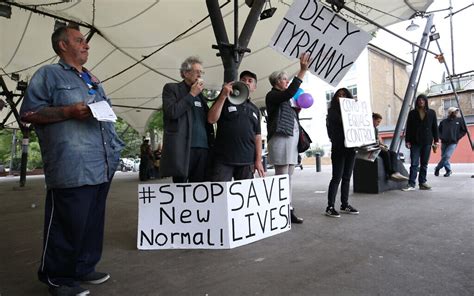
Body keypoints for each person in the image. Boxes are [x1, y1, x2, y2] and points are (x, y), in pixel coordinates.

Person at [20, 23, 124, 296]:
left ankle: (83, 267)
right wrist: (66, 110)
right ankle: (58, 278)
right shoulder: (49, 75)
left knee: (91, 221)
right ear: (62, 45)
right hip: (72, 164)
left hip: (101, 162)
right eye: (80, 40)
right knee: (68, 222)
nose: (86, 44)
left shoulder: (91, 78)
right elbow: (29, 113)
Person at [265, 53, 310, 224]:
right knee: (282, 177)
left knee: (288, 177)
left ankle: (288, 208)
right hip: (281, 141)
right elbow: (291, 91)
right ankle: (280, 210)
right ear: (277, 82)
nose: (286, 81)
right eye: (284, 79)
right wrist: (302, 71)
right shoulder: (273, 95)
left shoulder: (286, 100)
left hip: (290, 141)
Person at [160, 56, 214, 183]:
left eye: (202, 72)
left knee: (199, 188)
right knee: (181, 189)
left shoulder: (201, 95)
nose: (200, 75)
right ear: (185, 73)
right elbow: (172, 112)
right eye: (197, 71)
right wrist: (191, 95)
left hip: (203, 148)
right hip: (183, 148)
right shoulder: (171, 88)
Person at [207, 70, 265, 181]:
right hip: (223, 160)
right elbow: (211, 119)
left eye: (250, 81)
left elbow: (257, 136)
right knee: (220, 194)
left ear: (254, 87)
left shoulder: (255, 109)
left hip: (247, 161)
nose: (246, 82)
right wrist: (223, 96)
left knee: (244, 195)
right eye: (243, 80)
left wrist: (258, 161)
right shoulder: (225, 100)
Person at [325, 88, 359, 218]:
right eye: (339, 95)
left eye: (344, 95)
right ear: (335, 99)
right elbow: (339, 124)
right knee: (336, 177)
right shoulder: (332, 112)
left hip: (351, 148)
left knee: (347, 177)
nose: (342, 97)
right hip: (339, 148)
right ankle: (330, 206)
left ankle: (344, 204)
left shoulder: (353, 112)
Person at [402, 94, 439, 191]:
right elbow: (408, 128)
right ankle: (411, 184)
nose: (421, 101)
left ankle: (422, 183)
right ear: (417, 101)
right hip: (415, 141)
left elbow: (435, 127)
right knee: (414, 164)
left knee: (424, 163)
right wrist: (407, 141)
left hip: (427, 141)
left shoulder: (431, 113)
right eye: (419, 100)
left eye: (423, 99)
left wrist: (436, 141)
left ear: (426, 101)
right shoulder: (412, 113)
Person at [372, 113, 408, 181]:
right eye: (378, 121)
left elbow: (377, 140)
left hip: (377, 147)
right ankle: (390, 173)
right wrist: (380, 146)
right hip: (371, 149)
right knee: (385, 153)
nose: (378, 124)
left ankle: (395, 172)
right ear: (373, 119)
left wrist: (382, 145)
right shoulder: (368, 129)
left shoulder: (375, 129)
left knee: (393, 153)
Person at [434, 107, 467, 177]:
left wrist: (458, 136)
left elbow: (464, 130)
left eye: (456, 112)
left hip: (453, 142)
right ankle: (448, 170)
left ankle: (437, 168)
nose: (456, 113)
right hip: (444, 142)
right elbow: (438, 131)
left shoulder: (460, 120)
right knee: (444, 157)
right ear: (451, 113)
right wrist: (441, 137)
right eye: (455, 112)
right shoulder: (443, 122)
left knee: (446, 156)